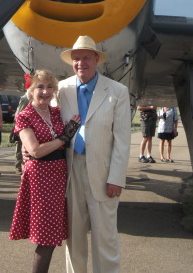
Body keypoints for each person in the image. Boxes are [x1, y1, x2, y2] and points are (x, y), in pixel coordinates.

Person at [58, 35, 131, 273]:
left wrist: (117, 177)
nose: (81, 63)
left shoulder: (117, 91)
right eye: (76, 59)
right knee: (73, 237)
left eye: (86, 58)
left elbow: (122, 139)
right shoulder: (61, 89)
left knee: (105, 237)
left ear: (96, 59)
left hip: (103, 172)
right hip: (71, 172)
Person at [9, 70, 80, 273]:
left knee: (51, 234)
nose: (45, 92)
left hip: (58, 175)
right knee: (46, 237)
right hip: (41, 176)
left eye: (50, 87)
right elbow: (35, 150)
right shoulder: (24, 116)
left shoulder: (57, 113)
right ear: (30, 90)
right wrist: (63, 138)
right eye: (40, 86)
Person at [10, 74, 31, 174]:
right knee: (20, 146)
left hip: (29, 126)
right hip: (22, 126)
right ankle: (18, 166)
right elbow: (18, 114)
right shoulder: (26, 98)